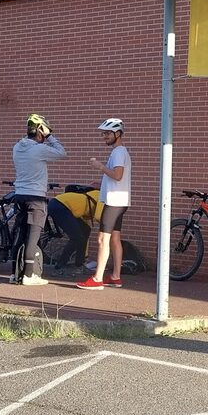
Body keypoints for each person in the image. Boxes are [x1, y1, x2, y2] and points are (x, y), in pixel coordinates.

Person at [11, 113, 66, 286]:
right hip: (36, 198)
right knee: (33, 236)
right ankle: (29, 275)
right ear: (40, 131)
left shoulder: (17, 147)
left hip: (19, 195)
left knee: (20, 234)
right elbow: (62, 153)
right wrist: (50, 137)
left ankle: (14, 274)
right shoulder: (39, 149)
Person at [77, 118, 131, 290]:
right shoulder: (120, 152)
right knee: (115, 238)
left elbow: (118, 175)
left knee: (102, 239)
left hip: (113, 202)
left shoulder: (118, 152)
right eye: (103, 133)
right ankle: (115, 276)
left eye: (107, 133)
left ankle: (97, 278)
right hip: (119, 201)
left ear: (118, 134)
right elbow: (117, 178)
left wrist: (99, 166)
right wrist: (102, 184)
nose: (104, 136)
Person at [47, 187, 102, 275]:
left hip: (61, 204)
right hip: (61, 206)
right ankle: (60, 266)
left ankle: (79, 265)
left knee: (86, 230)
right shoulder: (103, 196)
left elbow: (85, 212)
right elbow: (98, 216)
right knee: (77, 238)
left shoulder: (96, 194)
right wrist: (108, 229)